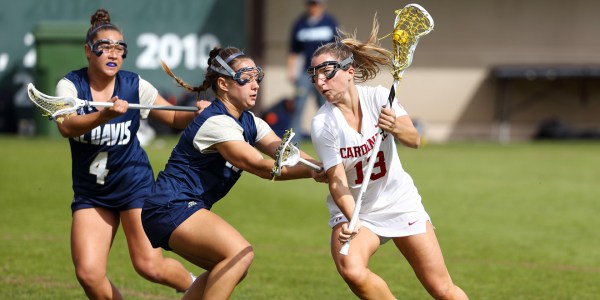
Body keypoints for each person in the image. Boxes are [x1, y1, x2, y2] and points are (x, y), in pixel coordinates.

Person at [141, 46, 326, 299]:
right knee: (239, 254)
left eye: (256, 78)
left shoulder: (251, 122)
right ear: (223, 84)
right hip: (171, 205)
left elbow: (286, 152)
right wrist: (315, 174)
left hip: (178, 206)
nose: (255, 85)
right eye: (245, 79)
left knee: (229, 265)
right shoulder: (217, 123)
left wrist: (324, 166)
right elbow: (260, 166)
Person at [308, 16, 469, 299]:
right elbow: (336, 182)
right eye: (315, 74)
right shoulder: (323, 124)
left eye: (327, 72)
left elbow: (414, 140)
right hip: (358, 211)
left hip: (398, 201)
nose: (320, 81)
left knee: (442, 289)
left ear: (349, 71)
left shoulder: (380, 98)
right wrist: (352, 220)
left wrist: (395, 126)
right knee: (352, 270)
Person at [54, 8, 209, 299]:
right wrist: (105, 114)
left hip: (133, 186)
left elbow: (174, 118)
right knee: (88, 274)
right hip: (92, 192)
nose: (113, 54)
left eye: (120, 48)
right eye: (105, 48)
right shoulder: (70, 86)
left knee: (149, 266)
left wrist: (198, 115)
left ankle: (194, 284)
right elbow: (67, 127)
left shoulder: (134, 85)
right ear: (88, 51)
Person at [287, 0, 338, 142]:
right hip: (306, 72)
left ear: (322, 5)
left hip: (325, 73)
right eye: (310, 4)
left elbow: (338, 49)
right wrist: (291, 70)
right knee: (298, 107)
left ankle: (331, 140)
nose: (313, 7)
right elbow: (294, 50)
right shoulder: (300, 24)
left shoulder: (330, 22)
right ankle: (292, 145)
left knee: (326, 106)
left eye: (316, 4)